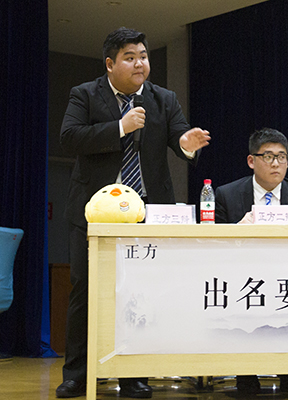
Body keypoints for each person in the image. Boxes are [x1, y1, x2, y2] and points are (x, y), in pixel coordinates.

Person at [57, 27, 211, 399]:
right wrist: (119, 127)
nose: (140, 63)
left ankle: (133, 375)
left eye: (143, 56)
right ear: (110, 64)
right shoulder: (85, 94)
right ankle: (78, 373)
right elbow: (69, 137)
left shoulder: (164, 99)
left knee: (141, 294)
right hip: (94, 213)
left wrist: (187, 144)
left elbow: (180, 138)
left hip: (147, 212)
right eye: (130, 57)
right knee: (85, 292)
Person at [214, 128, 288, 394]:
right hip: (243, 276)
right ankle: (246, 373)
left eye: (281, 157)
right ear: (251, 160)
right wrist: (236, 231)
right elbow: (213, 245)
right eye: (269, 156)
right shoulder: (227, 194)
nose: (276, 163)